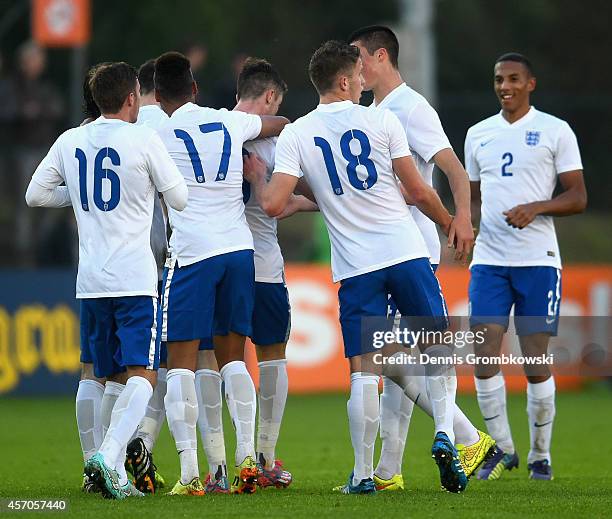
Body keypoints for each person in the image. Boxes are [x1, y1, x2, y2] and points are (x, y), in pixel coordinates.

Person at [244, 40, 466, 494]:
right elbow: (420, 191)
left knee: (364, 369)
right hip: (404, 253)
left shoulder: (297, 134)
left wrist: (260, 180)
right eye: (359, 77)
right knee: (437, 347)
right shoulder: (381, 120)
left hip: (357, 266)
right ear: (344, 81)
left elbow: (271, 203)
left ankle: (363, 475)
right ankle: (445, 431)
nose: (365, 82)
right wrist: (449, 224)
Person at [25, 62, 188, 499]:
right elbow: (180, 199)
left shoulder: (70, 139)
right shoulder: (142, 138)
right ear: (132, 98)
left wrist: (78, 197)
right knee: (143, 374)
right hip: (134, 277)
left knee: (96, 375)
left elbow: (35, 194)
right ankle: (110, 456)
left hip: (91, 278)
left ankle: (91, 470)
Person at [348, 25, 495, 489]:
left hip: (409, 250)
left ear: (381, 56)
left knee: (387, 357)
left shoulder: (411, 108)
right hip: (381, 250)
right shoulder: (369, 112)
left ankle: (469, 438)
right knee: (393, 363)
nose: (355, 69)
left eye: (359, 59)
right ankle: (391, 471)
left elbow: (453, 168)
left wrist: (462, 218)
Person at [153, 51, 289, 495]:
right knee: (233, 359)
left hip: (192, 256)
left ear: (157, 96)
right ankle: (247, 459)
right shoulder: (229, 122)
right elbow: (275, 124)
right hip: (238, 252)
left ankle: (195, 473)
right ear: (195, 88)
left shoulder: (157, 128)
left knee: (182, 367)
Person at [465, 53, 587, 481]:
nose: (505, 86)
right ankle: (502, 449)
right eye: (499, 79)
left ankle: (540, 454)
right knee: (483, 354)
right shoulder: (478, 134)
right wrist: (466, 227)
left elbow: (577, 196)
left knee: (535, 361)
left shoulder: (555, 130)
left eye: (514, 79)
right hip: (490, 262)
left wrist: (537, 207)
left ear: (530, 83)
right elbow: (475, 197)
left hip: (538, 261)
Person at [233, 57, 317, 489]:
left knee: (219, 362)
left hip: (218, 264)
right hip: (262, 265)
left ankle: (214, 465)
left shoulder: (213, 132)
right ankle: (263, 456)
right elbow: (282, 200)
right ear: (269, 97)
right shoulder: (278, 141)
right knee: (271, 356)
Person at [123, 58, 171, 494]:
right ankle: (140, 445)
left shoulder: (95, 129)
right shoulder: (168, 123)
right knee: (164, 364)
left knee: (99, 372)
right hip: (162, 258)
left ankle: (100, 461)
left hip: (104, 265)